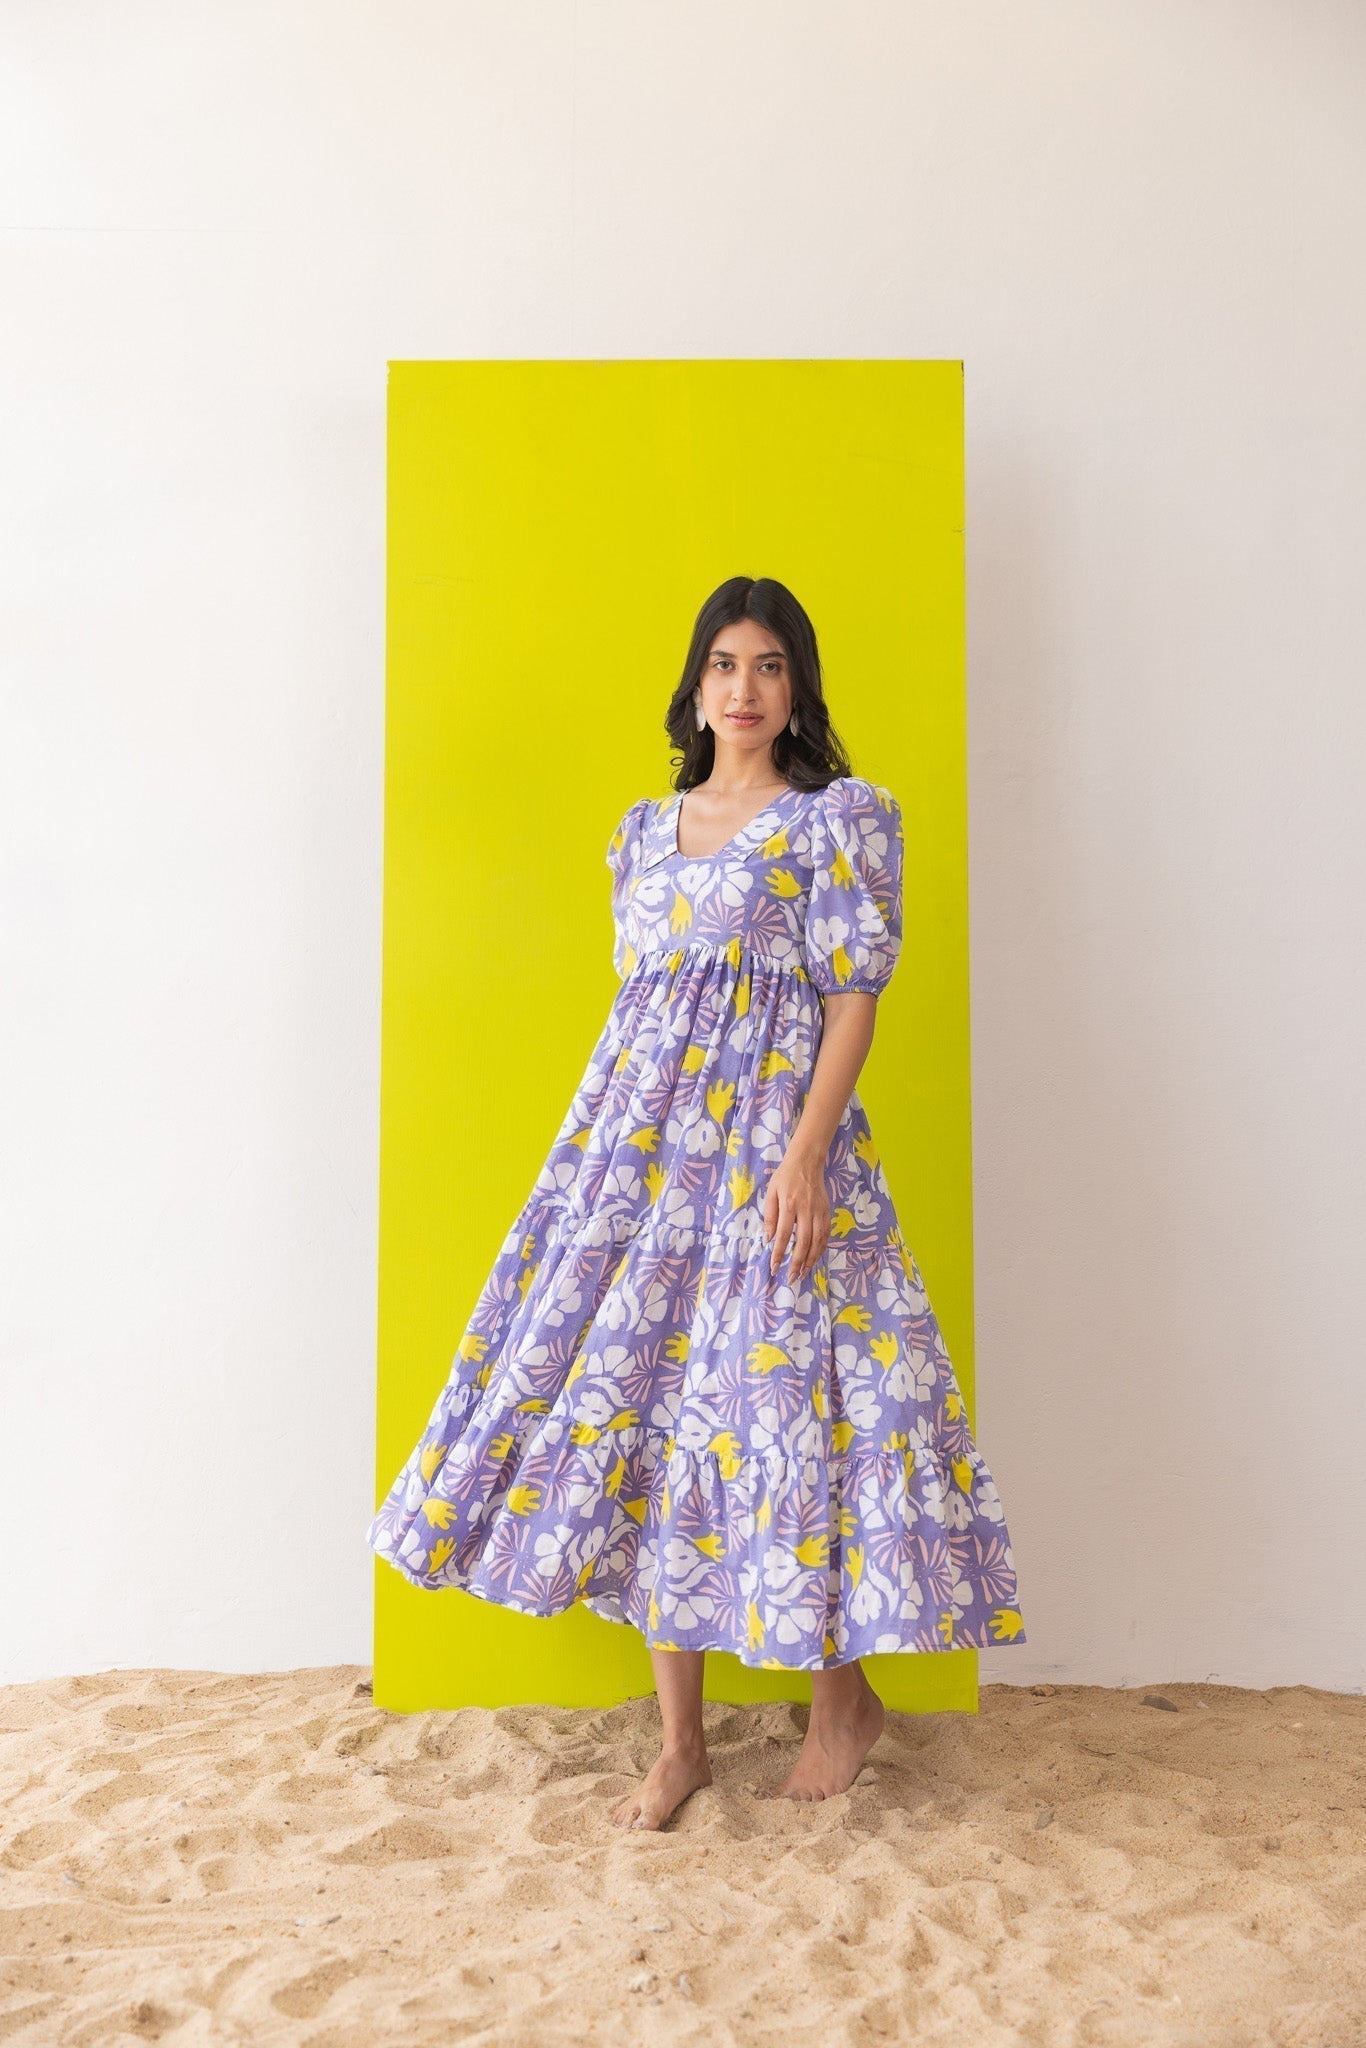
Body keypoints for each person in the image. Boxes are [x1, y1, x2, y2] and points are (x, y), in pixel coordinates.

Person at [368, 575, 1026, 1830]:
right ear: (696, 684)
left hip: (773, 1153)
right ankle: (679, 1746)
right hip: (638, 1165)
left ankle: (841, 1701)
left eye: (769, 664)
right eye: (724, 663)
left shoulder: (839, 820)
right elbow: (644, 1010)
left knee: (790, 1408)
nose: (744, 688)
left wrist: (805, 1155)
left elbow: (851, 997)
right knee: (653, 1420)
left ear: (798, 686)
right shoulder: (640, 832)